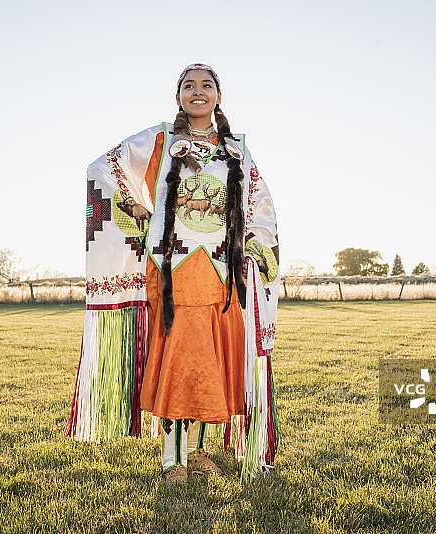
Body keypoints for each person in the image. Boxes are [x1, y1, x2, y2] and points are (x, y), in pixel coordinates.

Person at [65, 63, 280, 485]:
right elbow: (102, 167)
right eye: (188, 86)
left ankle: (198, 452)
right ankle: (172, 459)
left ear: (219, 95)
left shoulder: (236, 148)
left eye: (206, 85)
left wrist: (254, 244)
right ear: (178, 96)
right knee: (180, 355)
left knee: (209, 359)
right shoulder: (160, 138)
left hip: (223, 271)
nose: (197, 92)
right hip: (172, 267)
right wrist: (132, 205)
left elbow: (260, 201)